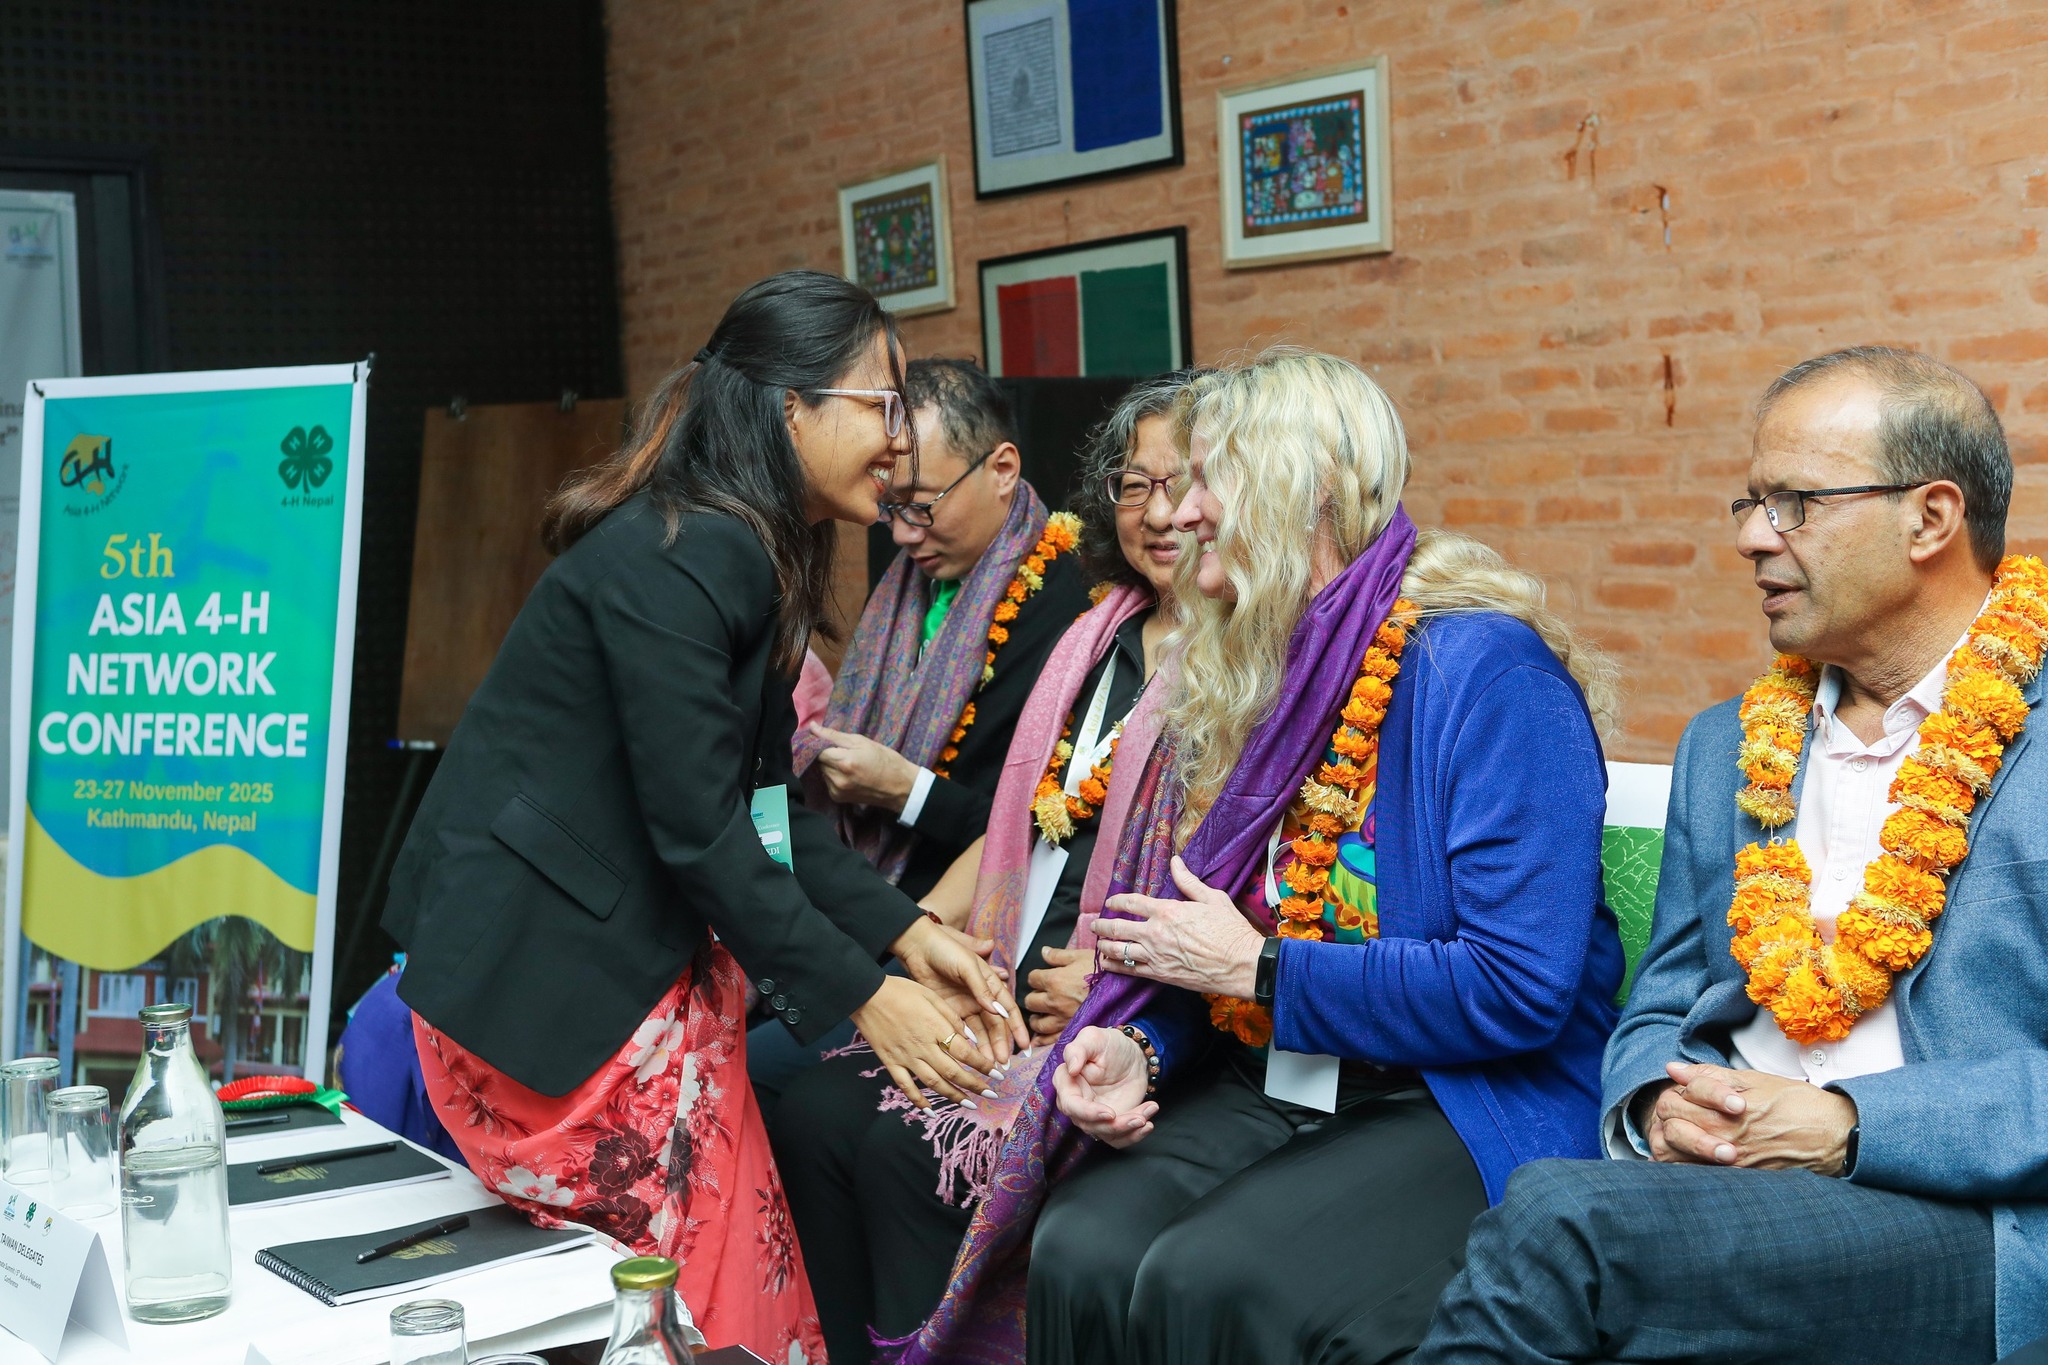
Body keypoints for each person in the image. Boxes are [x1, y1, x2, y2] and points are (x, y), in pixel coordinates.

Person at [887, 349, 1626, 1365]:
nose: (1175, 516)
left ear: (1304, 489)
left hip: (1453, 1095)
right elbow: (1213, 941)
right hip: (1280, 1068)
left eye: (1203, 481)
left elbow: (1519, 988)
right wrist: (1139, 1048)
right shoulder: (1260, 662)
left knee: (1211, 1279)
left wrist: (1259, 969)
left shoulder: (1482, 666)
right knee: (1080, 1243)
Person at [381, 271, 1021, 1364]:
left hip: (615, 966)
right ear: (790, 410)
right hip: (553, 986)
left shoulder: (741, 547)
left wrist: (908, 934)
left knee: (725, 1282)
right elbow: (700, 832)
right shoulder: (686, 552)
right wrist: (871, 999)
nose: (898, 441)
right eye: (881, 404)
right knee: (663, 1310)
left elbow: (762, 815)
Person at [1417, 347, 2048, 1364]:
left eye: (1794, 502)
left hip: (1956, 1213)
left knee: (1561, 1225)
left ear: (1929, 519)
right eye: (1750, 502)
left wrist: (1849, 1124)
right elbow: (1665, 1000)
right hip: (1716, 1172)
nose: (1753, 539)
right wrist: (1653, 1105)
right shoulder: (1727, 745)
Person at [771, 372, 1200, 1365]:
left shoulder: (1231, 657)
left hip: (1127, 1007)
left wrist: (1118, 980)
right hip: (998, 960)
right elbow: (1022, 821)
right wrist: (913, 943)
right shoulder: (1097, 639)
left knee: (894, 1148)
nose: (1160, 513)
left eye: (1185, 485)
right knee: (806, 1111)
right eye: (1133, 487)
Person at [751, 359, 1091, 1109]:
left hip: (958, 927)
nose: (902, 532)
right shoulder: (911, 585)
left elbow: (1035, 823)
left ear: (1002, 469)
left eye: (924, 506)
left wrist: (905, 791)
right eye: (892, 503)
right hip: (861, 906)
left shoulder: (1066, 608)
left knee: (764, 1077)